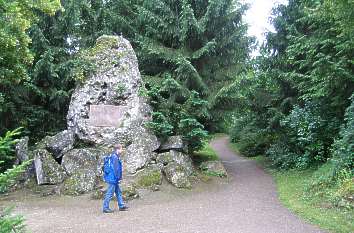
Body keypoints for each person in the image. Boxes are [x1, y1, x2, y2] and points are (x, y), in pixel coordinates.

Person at [102, 144, 128, 213]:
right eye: (121, 149)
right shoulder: (115, 157)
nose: (122, 150)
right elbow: (116, 169)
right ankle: (105, 207)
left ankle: (121, 206)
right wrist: (118, 178)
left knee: (118, 192)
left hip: (113, 178)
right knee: (110, 193)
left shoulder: (113, 156)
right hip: (113, 178)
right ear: (118, 149)